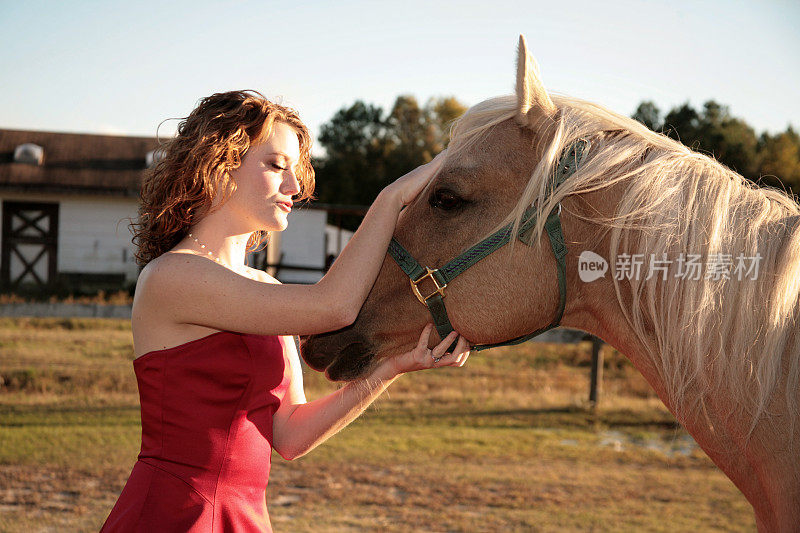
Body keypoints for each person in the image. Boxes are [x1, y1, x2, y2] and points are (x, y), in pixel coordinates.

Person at [100, 90, 471, 532]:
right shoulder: (171, 277)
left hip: (246, 518)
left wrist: (391, 368)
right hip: (173, 513)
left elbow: (291, 436)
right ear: (218, 164)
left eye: (295, 170)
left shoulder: (264, 289)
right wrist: (391, 200)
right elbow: (333, 306)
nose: (294, 187)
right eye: (277, 166)